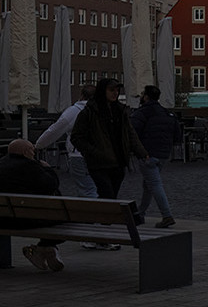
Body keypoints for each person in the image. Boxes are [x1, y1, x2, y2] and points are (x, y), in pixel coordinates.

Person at [71, 78, 149, 203]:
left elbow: (130, 133)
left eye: (117, 90)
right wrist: (93, 152)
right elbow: (76, 137)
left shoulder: (120, 110)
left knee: (110, 197)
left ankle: (103, 219)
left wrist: (142, 152)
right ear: (103, 91)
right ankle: (104, 220)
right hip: (99, 163)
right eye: (111, 90)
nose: (115, 93)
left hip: (118, 161)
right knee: (108, 196)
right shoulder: (90, 111)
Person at [0, 140, 67, 271]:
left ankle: (45, 248)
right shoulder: (31, 167)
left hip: (3, 219)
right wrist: (48, 169)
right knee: (67, 219)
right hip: (27, 220)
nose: (34, 153)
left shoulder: (1, 164)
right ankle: (45, 246)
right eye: (32, 150)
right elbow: (50, 185)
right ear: (26, 152)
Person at [130, 85, 181, 228]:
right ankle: (140, 214)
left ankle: (167, 215)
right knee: (148, 185)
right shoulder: (167, 113)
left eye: (142, 94)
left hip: (147, 154)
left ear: (146, 97)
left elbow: (132, 133)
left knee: (155, 185)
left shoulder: (142, 113)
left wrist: (136, 150)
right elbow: (178, 136)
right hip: (163, 154)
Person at [33, 85, 97, 197]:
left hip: (79, 154)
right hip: (100, 154)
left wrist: (38, 145)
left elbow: (54, 130)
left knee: (87, 190)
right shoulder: (102, 110)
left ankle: (93, 212)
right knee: (97, 188)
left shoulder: (74, 111)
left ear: (81, 95)